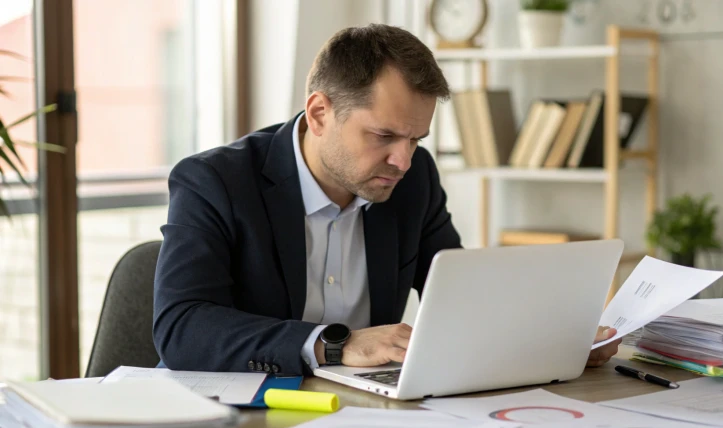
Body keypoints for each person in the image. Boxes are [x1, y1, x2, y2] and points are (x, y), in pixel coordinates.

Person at [153, 24, 621, 377]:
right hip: (238, 418)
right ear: (320, 113)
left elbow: (461, 297)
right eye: (384, 135)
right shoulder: (213, 181)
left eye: (417, 139)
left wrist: (553, 339)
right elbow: (181, 328)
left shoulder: (413, 181)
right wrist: (334, 345)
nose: (402, 160)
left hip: (367, 416)